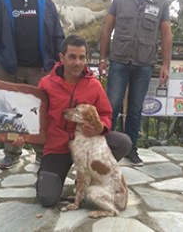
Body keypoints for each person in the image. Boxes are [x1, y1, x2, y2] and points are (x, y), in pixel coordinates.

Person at [35, 35, 132, 207]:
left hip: (88, 145)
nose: (77, 62)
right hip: (58, 147)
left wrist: (100, 127)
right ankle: (55, 176)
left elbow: (106, 114)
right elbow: (34, 117)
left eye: (82, 57)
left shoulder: (93, 85)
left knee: (123, 142)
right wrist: (23, 137)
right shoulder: (46, 84)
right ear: (61, 58)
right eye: (72, 56)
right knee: (47, 198)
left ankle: (91, 177)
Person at [0, 0, 65, 169]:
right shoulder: (0, 1)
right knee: (9, 113)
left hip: (40, 69)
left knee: (40, 113)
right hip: (9, 68)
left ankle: (43, 153)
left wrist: (59, 59)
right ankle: (11, 153)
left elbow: (56, 30)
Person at [99, 0, 172, 166]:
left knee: (135, 108)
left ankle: (131, 150)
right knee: (112, 106)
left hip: (144, 63)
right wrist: (102, 58)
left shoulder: (162, 2)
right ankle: (104, 148)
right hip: (119, 61)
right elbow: (107, 29)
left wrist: (166, 64)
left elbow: (166, 34)